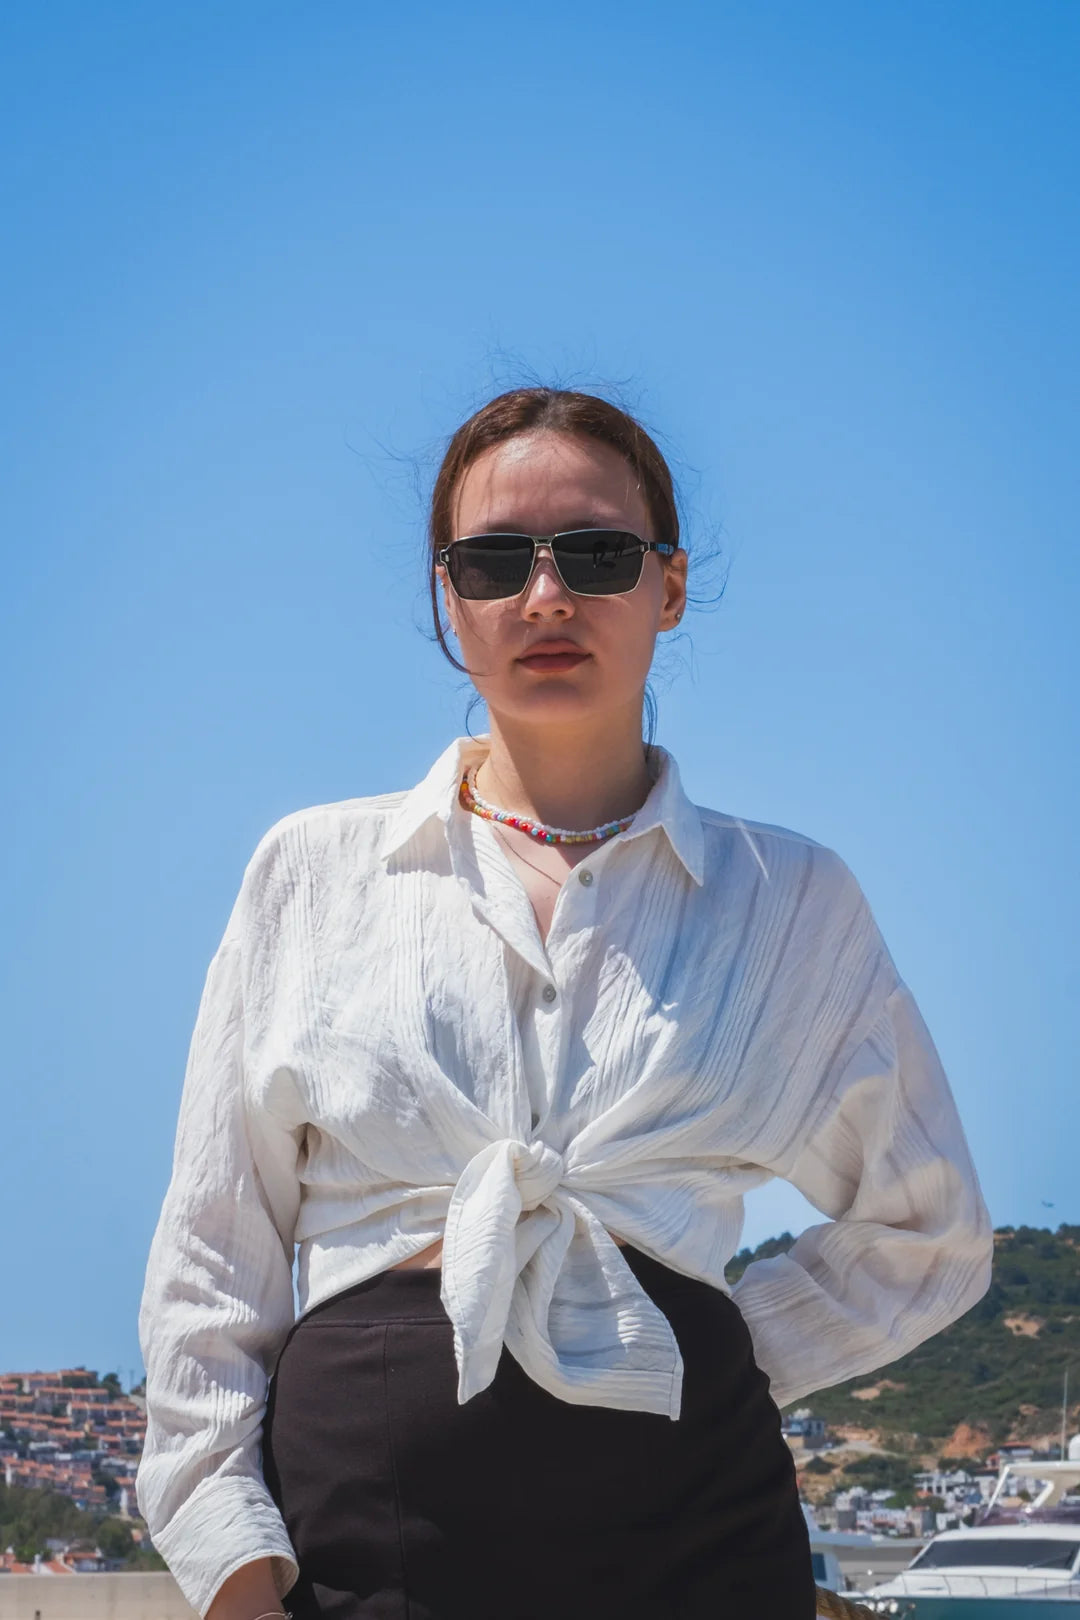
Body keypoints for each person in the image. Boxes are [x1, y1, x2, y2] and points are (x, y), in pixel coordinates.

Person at [135, 387, 994, 1620]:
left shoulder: (792, 901)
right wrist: (233, 1567)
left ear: (670, 587)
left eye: (596, 555)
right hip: (363, 1529)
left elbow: (931, 1231)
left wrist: (704, 1345)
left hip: (702, 1535)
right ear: (449, 596)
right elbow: (212, 1265)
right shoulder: (310, 875)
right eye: (495, 562)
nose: (545, 597)